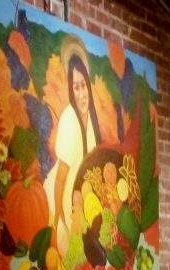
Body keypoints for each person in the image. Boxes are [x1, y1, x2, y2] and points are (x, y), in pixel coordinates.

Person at [44, 36, 102, 243]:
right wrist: (59, 222)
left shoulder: (93, 118)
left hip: (79, 201)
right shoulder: (70, 119)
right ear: (71, 89)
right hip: (60, 199)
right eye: (75, 88)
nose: (81, 94)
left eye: (84, 85)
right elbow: (61, 178)